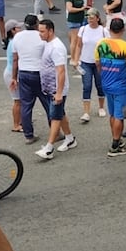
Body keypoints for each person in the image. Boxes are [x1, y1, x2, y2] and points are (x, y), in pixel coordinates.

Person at [95, 17, 126, 157]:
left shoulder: (101, 44)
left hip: (106, 84)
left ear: (109, 29)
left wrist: (104, 75)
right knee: (119, 116)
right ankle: (115, 145)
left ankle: (117, 139)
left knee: (113, 114)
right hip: (121, 87)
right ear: (123, 29)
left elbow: (98, 64)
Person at [35, 18, 76, 160]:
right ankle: (70, 138)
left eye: (42, 31)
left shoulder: (56, 48)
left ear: (50, 31)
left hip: (56, 90)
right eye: (39, 31)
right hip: (50, 88)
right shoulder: (48, 44)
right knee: (60, 113)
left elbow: (61, 71)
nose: (39, 34)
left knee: (55, 117)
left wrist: (59, 93)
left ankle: (49, 148)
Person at [11, 14, 48, 144]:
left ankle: (28, 135)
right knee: (47, 103)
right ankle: (55, 130)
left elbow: (15, 59)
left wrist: (14, 77)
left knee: (26, 105)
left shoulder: (18, 37)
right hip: (39, 72)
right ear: (37, 24)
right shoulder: (41, 37)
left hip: (24, 73)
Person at [73, 11, 108, 123]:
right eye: (88, 18)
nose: (90, 20)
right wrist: (76, 59)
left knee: (100, 85)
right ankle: (86, 112)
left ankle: (101, 107)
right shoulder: (83, 29)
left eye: (92, 18)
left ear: (97, 18)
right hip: (85, 62)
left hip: (99, 62)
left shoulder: (103, 31)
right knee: (87, 86)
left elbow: (107, 47)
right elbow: (79, 45)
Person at [2, 19, 24, 132]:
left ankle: (20, 121)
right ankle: (16, 124)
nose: (21, 29)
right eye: (18, 28)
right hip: (12, 74)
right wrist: (14, 78)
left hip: (11, 72)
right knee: (17, 100)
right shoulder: (13, 43)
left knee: (20, 100)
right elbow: (16, 60)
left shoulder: (12, 42)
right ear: (13, 30)